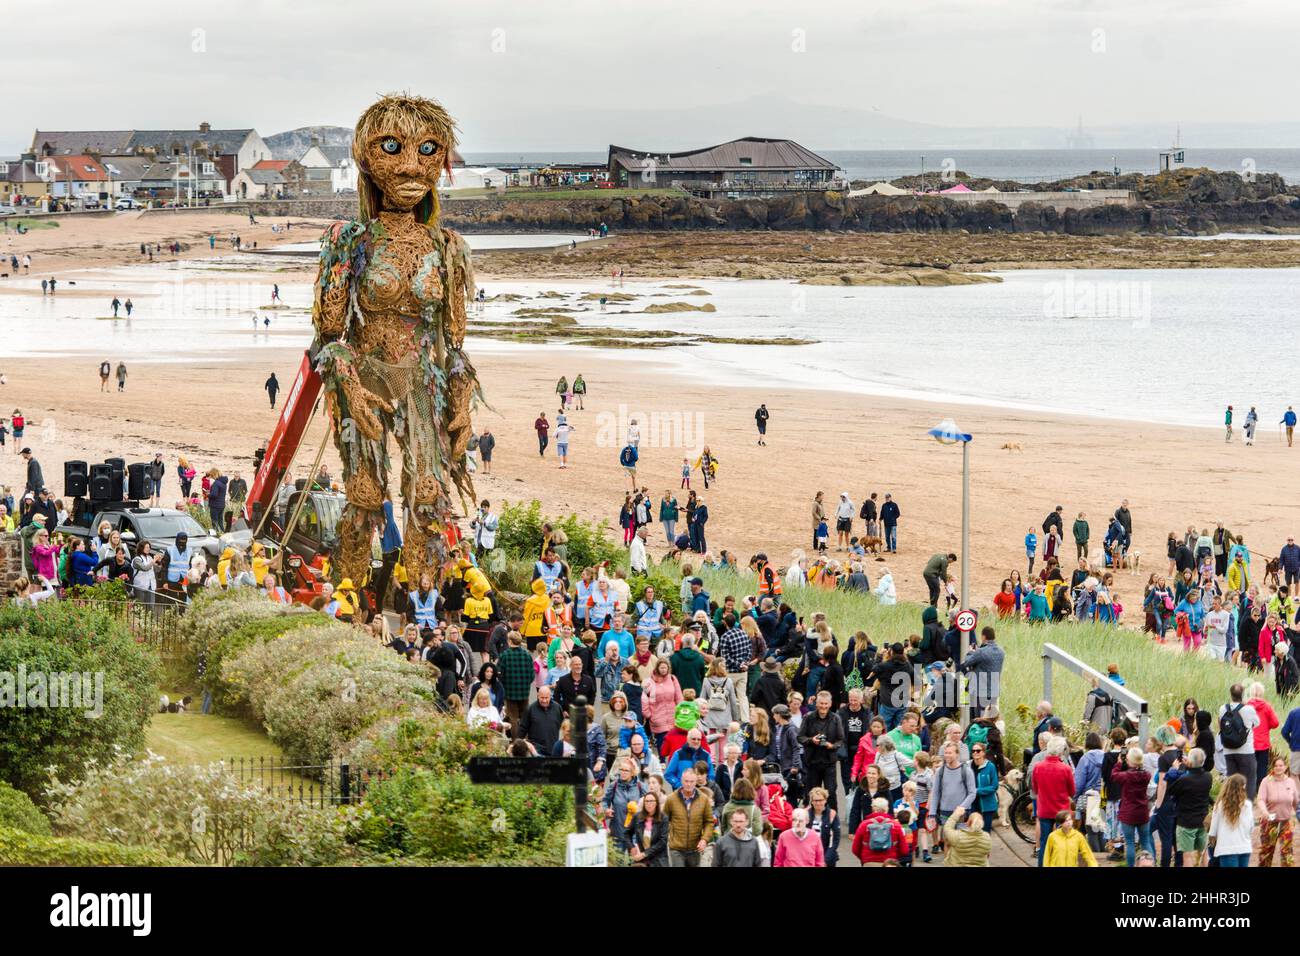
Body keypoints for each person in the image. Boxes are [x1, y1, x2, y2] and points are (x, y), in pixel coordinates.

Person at [1031, 737, 1076, 866]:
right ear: (1061, 752)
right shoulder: (1065, 769)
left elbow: (1035, 788)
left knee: (1045, 841)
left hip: (1044, 809)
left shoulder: (1038, 767)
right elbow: (1072, 791)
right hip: (1061, 811)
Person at [1111, 746, 1156, 868]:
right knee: (1145, 841)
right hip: (1142, 812)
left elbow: (1114, 775)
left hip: (1128, 813)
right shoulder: (1146, 775)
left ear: (1129, 760)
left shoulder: (1126, 776)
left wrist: (1119, 763)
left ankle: (1131, 865)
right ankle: (1151, 864)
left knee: (1129, 843)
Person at [662, 768, 713, 867]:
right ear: (681, 781)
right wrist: (668, 837)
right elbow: (664, 821)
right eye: (686, 781)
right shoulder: (671, 799)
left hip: (695, 848)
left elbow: (709, 822)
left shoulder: (704, 799)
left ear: (695, 782)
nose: (688, 784)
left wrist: (704, 839)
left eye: (691, 781)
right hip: (676, 848)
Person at [1219, 683, 1261, 798]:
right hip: (1246, 750)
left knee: (1232, 781)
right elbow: (1257, 723)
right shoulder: (1248, 709)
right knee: (1249, 780)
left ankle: (1233, 806)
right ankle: (1247, 806)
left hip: (1228, 750)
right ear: (1243, 695)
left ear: (1231, 694)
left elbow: (1220, 725)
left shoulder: (1223, 708)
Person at [1256, 756, 1297, 867]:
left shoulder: (1290, 782)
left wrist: (1296, 814)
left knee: (1287, 853)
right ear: (1272, 767)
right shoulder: (1266, 781)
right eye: (1276, 765)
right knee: (1266, 852)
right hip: (1270, 822)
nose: (1278, 768)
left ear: (1285, 767)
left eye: (1281, 765)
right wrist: (1264, 812)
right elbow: (1260, 799)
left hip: (1286, 822)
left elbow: (1296, 801)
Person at [1208, 773, 1254, 867]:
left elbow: (1213, 830)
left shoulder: (1220, 805)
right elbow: (1251, 828)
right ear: (1243, 787)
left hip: (1226, 848)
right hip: (1244, 846)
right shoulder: (1247, 805)